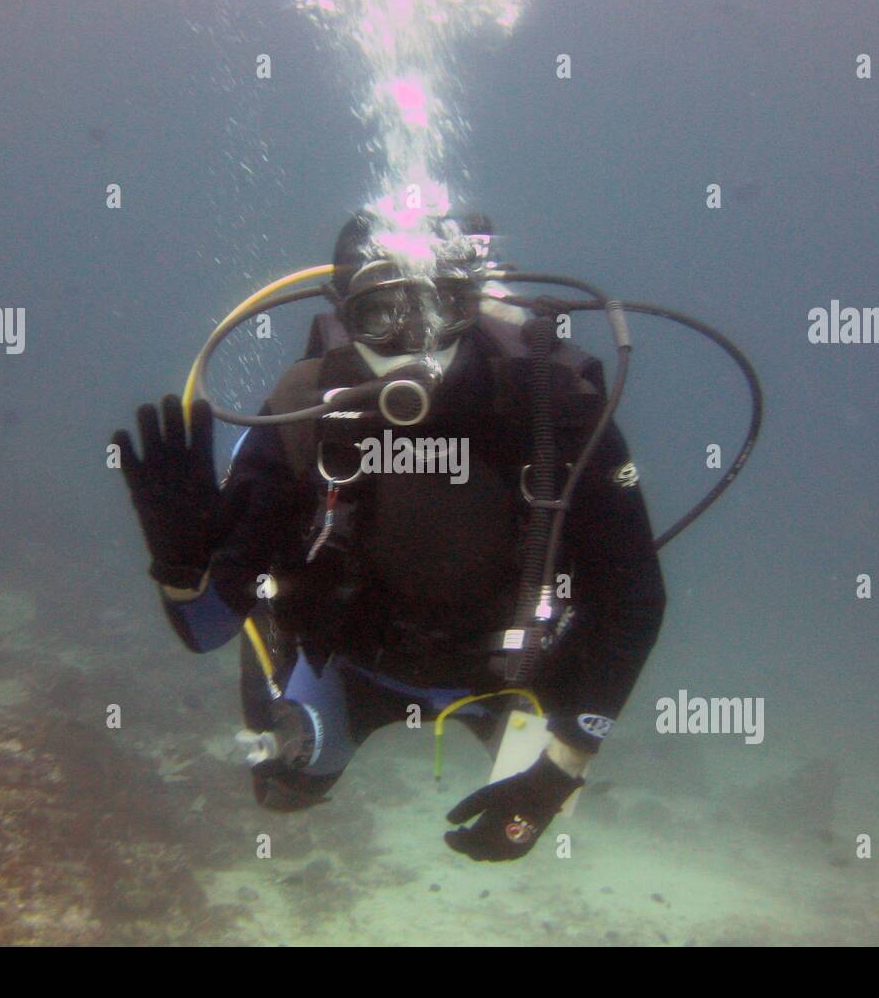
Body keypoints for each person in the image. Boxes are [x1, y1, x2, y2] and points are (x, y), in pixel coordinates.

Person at [113, 211, 666, 862]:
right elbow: (203, 627)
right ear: (343, 312)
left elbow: (633, 600)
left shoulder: (556, 408)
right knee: (282, 792)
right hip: (350, 667)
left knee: (556, 815)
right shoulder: (303, 409)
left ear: (474, 300)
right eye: (382, 313)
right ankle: (279, 641)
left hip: (511, 673)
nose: (416, 341)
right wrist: (182, 570)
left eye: (443, 307)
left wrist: (554, 777)